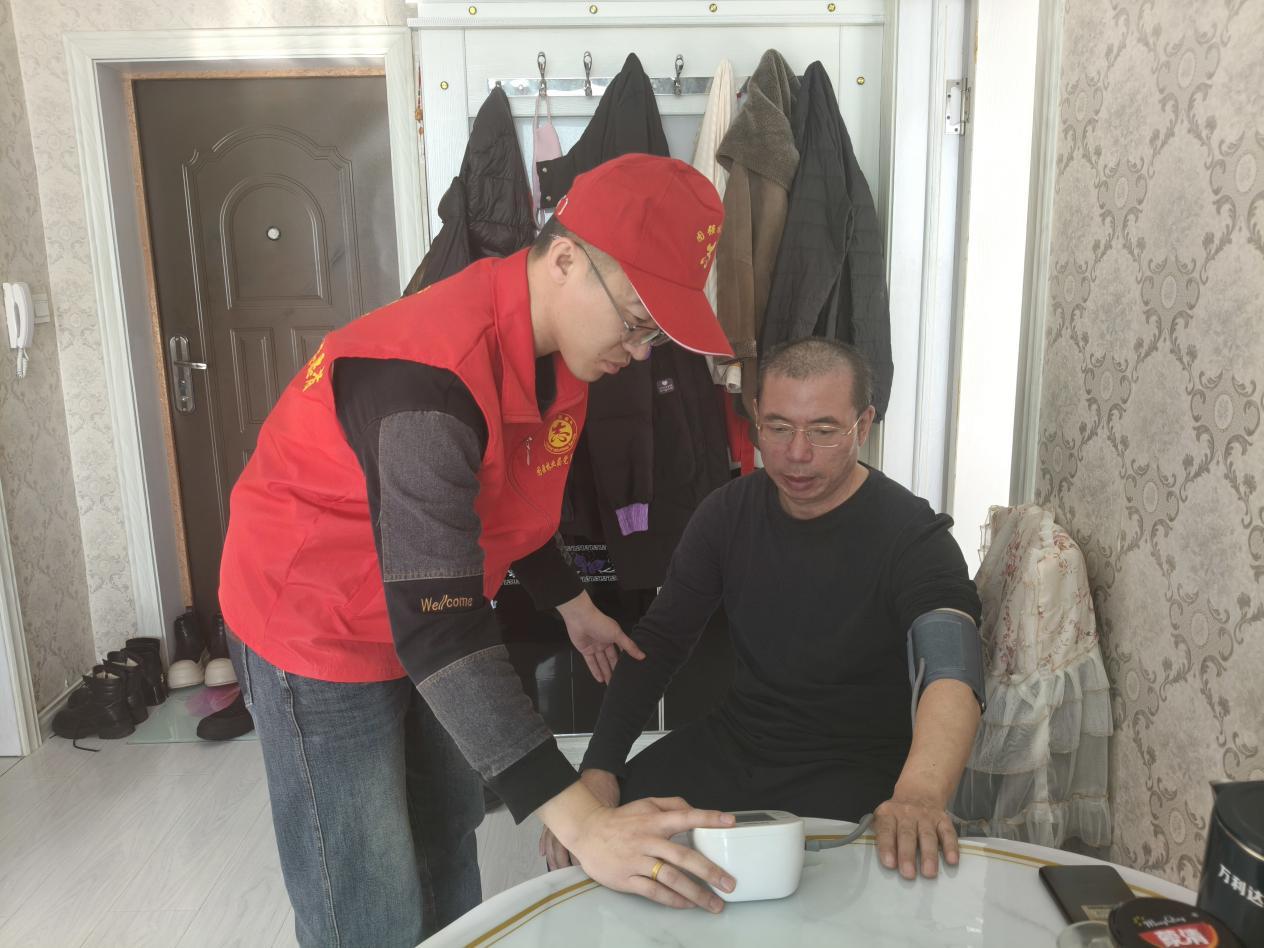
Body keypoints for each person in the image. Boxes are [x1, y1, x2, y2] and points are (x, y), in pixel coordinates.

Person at [217, 154, 744, 948]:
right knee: (366, 892)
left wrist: (572, 603)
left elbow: (506, 499)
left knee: (446, 834)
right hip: (315, 616)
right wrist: (583, 822)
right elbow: (441, 630)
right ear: (564, 260)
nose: (639, 353)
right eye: (637, 322)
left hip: (422, 604)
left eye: (653, 335)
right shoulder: (426, 379)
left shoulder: (557, 352)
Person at [542, 337, 985, 882]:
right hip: (739, 741)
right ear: (754, 416)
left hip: (855, 762)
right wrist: (599, 768)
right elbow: (659, 644)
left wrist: (920, 794)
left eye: (823, 430)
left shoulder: (913, 535)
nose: (796, 453)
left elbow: (952, 668)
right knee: (589, 834)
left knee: (813, 891)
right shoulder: (726, 514)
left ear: (864, 424)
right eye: (777, 427)